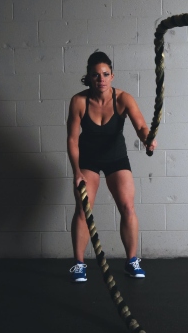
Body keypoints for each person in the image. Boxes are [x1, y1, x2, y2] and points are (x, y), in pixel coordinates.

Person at [66, 51, 157, 282]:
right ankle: (78, 264)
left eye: (105, 74)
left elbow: (141, 126)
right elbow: (72, 140)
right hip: (88, 160)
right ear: (89, 77)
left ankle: (132, 261)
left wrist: (148, 138)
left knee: (128, 207)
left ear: (112, 76)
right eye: (96, 75)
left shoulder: (123, 99)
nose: (101, 79)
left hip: (116, 158)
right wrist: (76, 171)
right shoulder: (79, 101)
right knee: (83, 209)